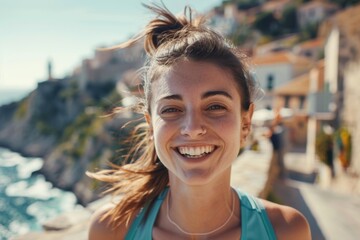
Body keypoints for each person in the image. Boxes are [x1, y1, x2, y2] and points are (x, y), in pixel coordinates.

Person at [87, 3, 311, 240]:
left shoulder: (287, 231)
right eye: (172, 109)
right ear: (151, 126)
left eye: (215, 107)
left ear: (245, 124)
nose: (193, 128)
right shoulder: (111, 229)